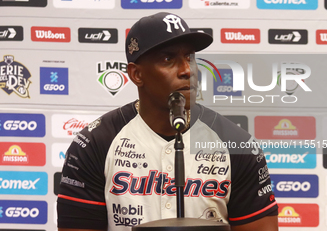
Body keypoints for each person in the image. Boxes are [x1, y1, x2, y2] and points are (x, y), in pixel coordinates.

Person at [57, 12, 278, 231]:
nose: (187, 70)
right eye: (168, 59)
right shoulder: (95, 143)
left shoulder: (237, 145)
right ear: (136, 75)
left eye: (190, 57)